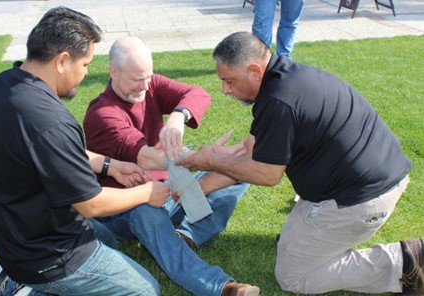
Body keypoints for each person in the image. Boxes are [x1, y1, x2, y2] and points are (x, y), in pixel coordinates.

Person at [177, 31, 423, 295]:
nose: (225, 90)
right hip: (371, 178)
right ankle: (324, 241)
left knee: (293, 277)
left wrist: (211, 160)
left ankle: (404, 262)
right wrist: (197, 188)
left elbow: (267, 174)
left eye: (229, 81)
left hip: (362, 198)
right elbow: (250, 157)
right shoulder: (283, 78)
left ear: (254, 70)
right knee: (294, 246)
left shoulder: (278, 102)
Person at [0, 7, 171, 296]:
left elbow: (51, 151)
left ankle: (20, 280)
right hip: (46, 255)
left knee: (108, 240)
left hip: (15, 233)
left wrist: (111, 165)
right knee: (146, 290)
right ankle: (26, 285)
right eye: (85, 64)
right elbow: (91, 204)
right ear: (62, 61)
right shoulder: (51, 120)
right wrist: (148, 192)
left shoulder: (5, 84)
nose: (86, 73)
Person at [82, 36, 259, 296]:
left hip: (169, 188)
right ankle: (220, 288)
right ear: (113, 72)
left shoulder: (149, 85)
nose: (144, 86)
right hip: (123, 207)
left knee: (237, 171)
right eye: (136, 79)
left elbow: (197, 94)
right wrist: (206, 159)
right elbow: (147, 156)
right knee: (147, 211)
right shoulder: (101, 114)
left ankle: (187, 236)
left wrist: (178, 116)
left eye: (148, 77)